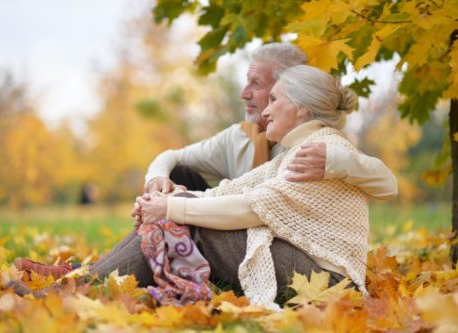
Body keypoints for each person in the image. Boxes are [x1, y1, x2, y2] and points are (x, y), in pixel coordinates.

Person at [132, 65, 391, 309]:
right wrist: (166, 202)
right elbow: (231, 191)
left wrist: (171, 208)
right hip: (313, 271)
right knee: (179, 209)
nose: (266, 112)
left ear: (302, 107)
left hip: (329, 283)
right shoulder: (295, 150)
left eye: (274, 100)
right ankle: (107, 275)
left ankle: (102, 277)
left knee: (190, 222)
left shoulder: (320, 150)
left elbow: (252, 207)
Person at [144, 43, 397, 201]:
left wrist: (335, 162)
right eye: (247, 81)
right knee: (177, 175)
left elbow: (387, 184)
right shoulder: (238, 137)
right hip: (234, 229)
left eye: (256, 84)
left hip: (286, 249)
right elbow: (172, 156)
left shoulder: (316, 140)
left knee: (176, 206)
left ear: (289, 90)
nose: (244, 93)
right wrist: (156, 179)